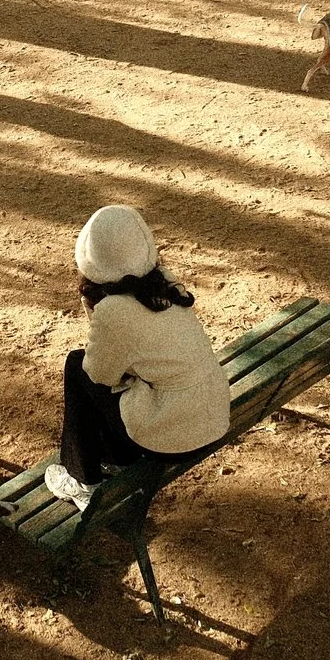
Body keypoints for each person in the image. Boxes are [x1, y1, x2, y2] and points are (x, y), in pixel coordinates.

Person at [42, 205, 232, 505]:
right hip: (213, 415)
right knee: (123, 383)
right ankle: (111, 458)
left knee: (77, 366)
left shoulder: (114, 311)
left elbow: (99, 373)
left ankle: (82, 478)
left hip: (177, 439)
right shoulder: (166, 284)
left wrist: (94, 314)